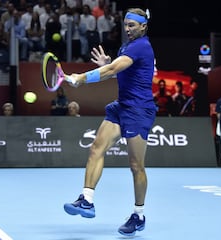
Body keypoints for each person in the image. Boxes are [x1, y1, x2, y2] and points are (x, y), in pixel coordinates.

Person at [63, 8, 156, 236]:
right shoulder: (127, 47)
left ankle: (139, 214)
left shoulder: (142, 45)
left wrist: (82, 78)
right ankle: (87, 199)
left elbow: (114, 68)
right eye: (125, 25)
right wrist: (108, 63)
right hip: (121, 106)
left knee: (136, 167)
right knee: (96, 148)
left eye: (132, 25)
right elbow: (119, 70)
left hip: (139, 110)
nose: (127, 29)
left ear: (143, 26)